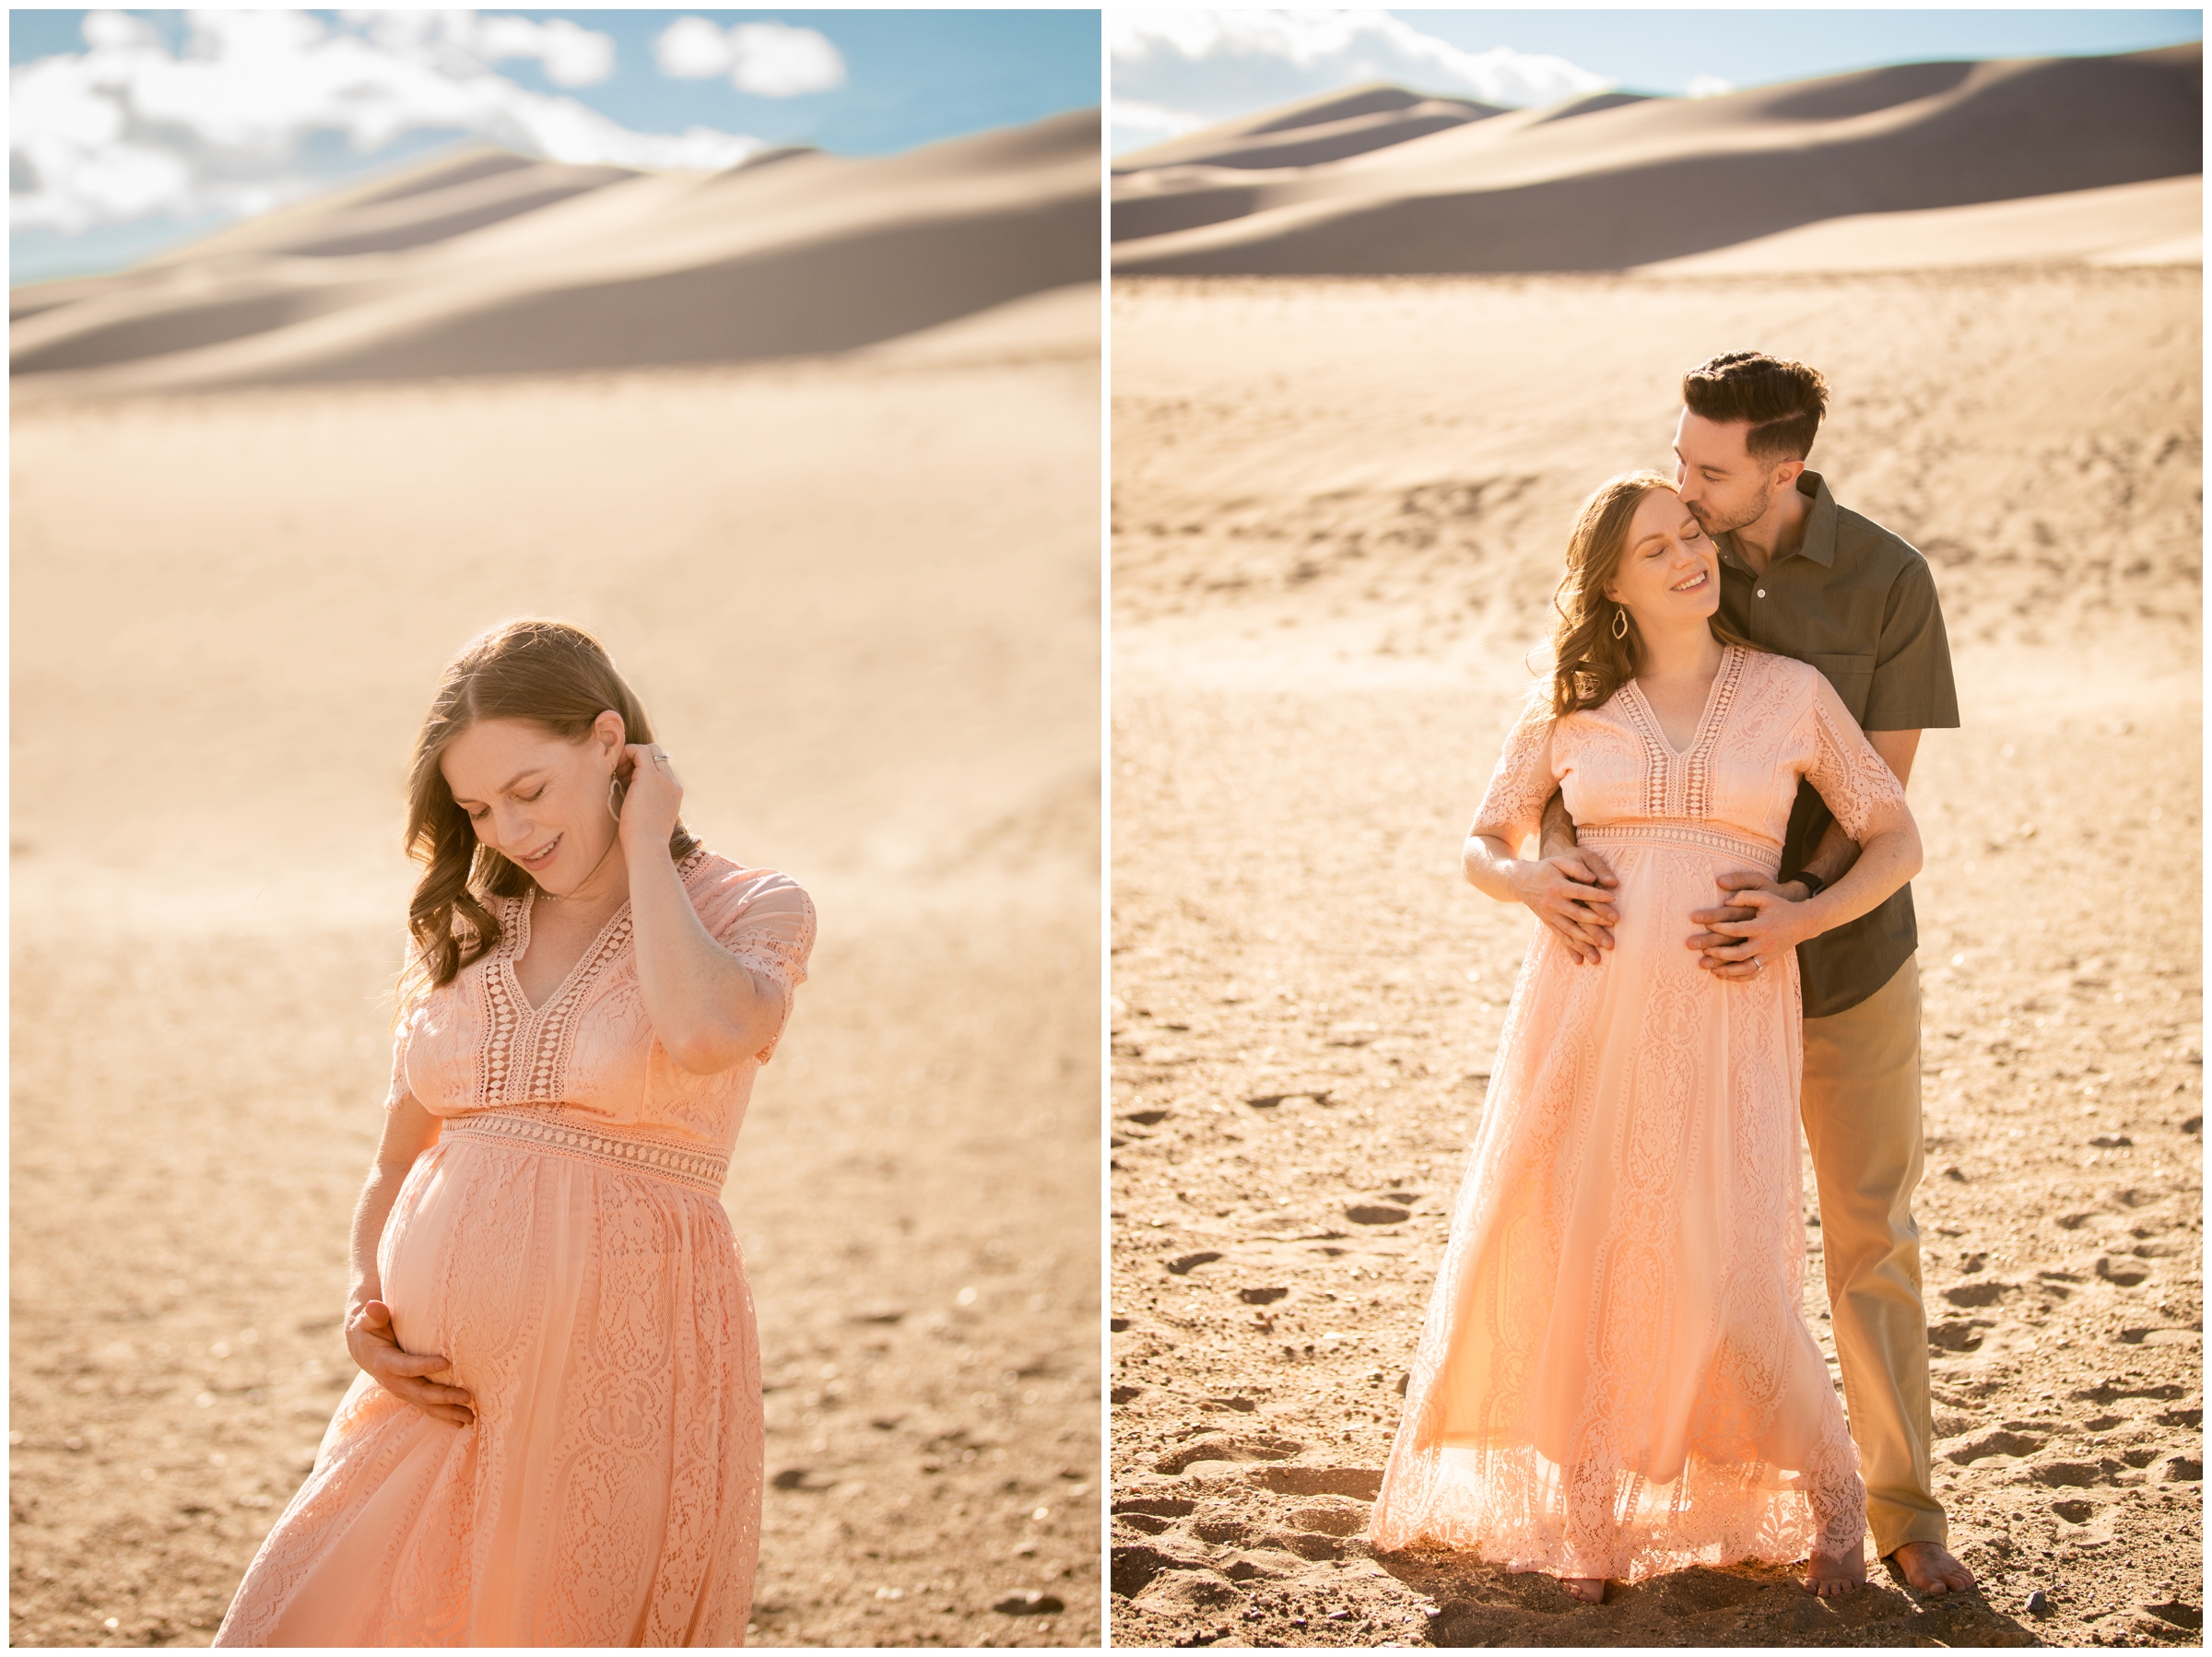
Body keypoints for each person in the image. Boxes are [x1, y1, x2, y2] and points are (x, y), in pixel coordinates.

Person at [1369, 468, 1924, 1601]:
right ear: (1613, 587)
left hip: (1727, 1012)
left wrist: (1801, 915)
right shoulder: (1569, 704)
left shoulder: (1789, 691)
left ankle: (1827, 1501)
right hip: (1583, 1012)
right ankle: (1588, 1528)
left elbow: (1895, 835)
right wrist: (1530, 880)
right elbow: (1480, 839)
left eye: (1691, 534)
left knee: (1730, 1261)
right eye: (1658, 548)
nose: (1689, 557)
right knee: (1575, 1240)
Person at [214, 618, 814, 1646]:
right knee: (293, 1622)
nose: (509, 832)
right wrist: (365, 1302)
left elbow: (706, 1031)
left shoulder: (753, 905)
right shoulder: (471, 926)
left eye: (529, 790)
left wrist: (644, 845)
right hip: (430, 1393)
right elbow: (396, 1159)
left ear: (610, 743)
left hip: (620, 1368)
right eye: (479, 809)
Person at [1520, 354, 1974, 1599]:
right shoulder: (1681, 551)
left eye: (1708, 472)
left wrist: (1798, 903)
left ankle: (1903, 1510)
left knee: (1869, 1233)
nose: (1686, 491)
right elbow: (1581, 750)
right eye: (1679, 463)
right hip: (1689, 990)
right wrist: (1556, 856)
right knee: (1686, 1228)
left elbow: (1883, 788)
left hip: (1850, 956)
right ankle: (1674, 1482)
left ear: (1784, 467)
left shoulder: (1888, 580)